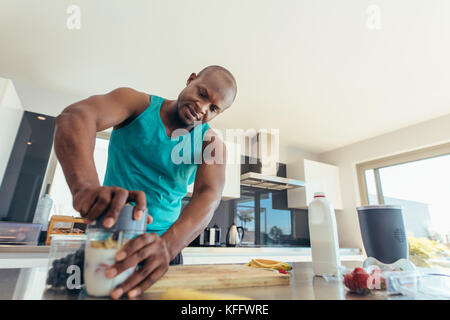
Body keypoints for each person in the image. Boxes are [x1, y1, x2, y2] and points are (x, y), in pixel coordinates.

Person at [54, 65, 237, 299]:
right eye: (202, 94)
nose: (202, 108)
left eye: (213, 108)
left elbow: (209, 195)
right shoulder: (136, 104)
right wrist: (85, 187)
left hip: (161, 250)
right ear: (191, 79)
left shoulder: (211, 143)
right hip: (108, 242)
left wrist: (168, 247)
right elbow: (75, 117)